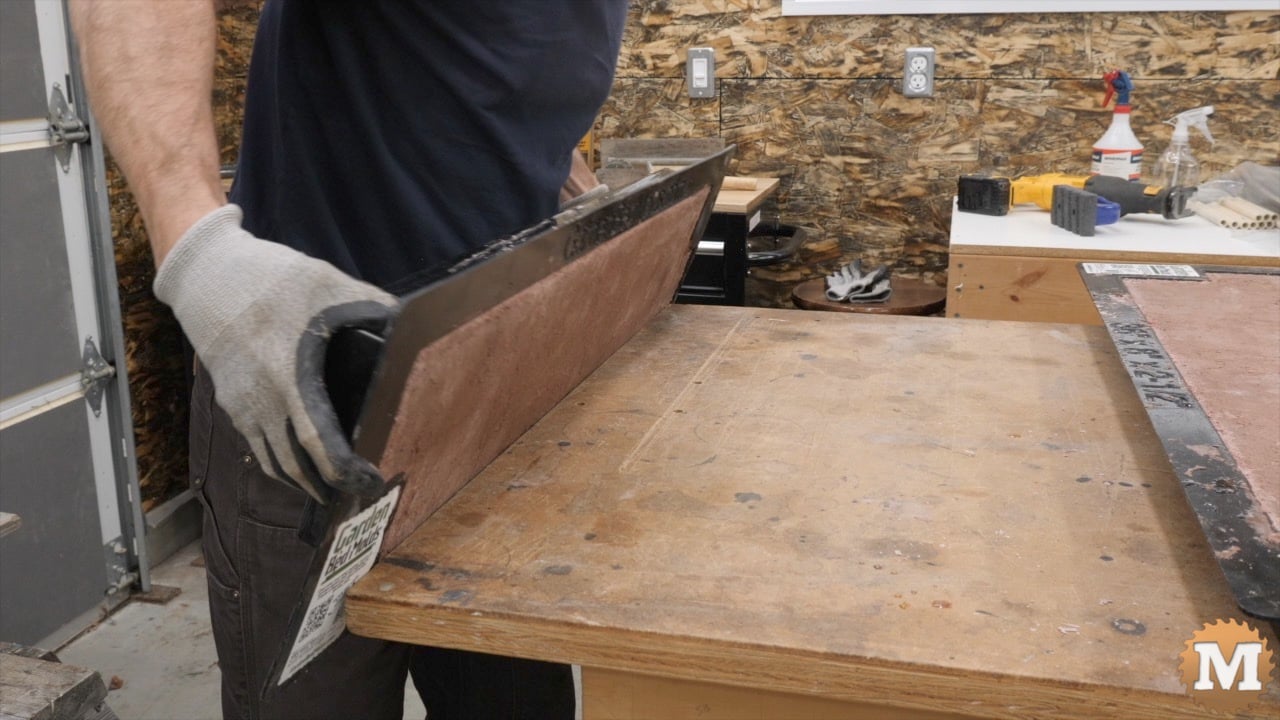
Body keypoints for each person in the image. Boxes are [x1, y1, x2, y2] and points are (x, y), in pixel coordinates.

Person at [68, 2, 628, 718]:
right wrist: (193, 241)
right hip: (310, 390)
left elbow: (491, 94)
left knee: (513, 698)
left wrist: (577, 193)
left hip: (489, 403)